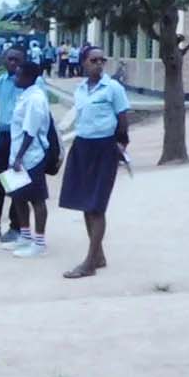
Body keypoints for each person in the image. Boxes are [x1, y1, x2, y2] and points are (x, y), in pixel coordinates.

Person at [58, 45, 132, 278]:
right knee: (84, 203)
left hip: (104, 149)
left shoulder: (113, 88)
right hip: (82, 148)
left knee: (96, 206)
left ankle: (89, 263)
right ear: (83, 62)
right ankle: (98, 254)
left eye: (102, 60)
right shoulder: (80, 90)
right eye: (93, 60)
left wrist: (120, 145)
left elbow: (122, 120)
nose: (98, 64)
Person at [5, 57, 53, 258]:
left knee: (36, 199)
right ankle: (24, 235)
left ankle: (39, 242)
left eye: (18, 74)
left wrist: (19, 158)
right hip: (16, 156)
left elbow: (30, 131)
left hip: (30, 157)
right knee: (18, 197)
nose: (15, 76)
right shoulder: (25, 95)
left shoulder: (35, 99)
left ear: (28, 77)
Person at [0, 45, 27, 243]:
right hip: (2, 137)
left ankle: (15, 226)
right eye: (9, 59)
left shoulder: (31, 84)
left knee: (14, 182)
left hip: (19, 138)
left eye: (17, 60)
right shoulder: (1, 81)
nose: (12, 63)